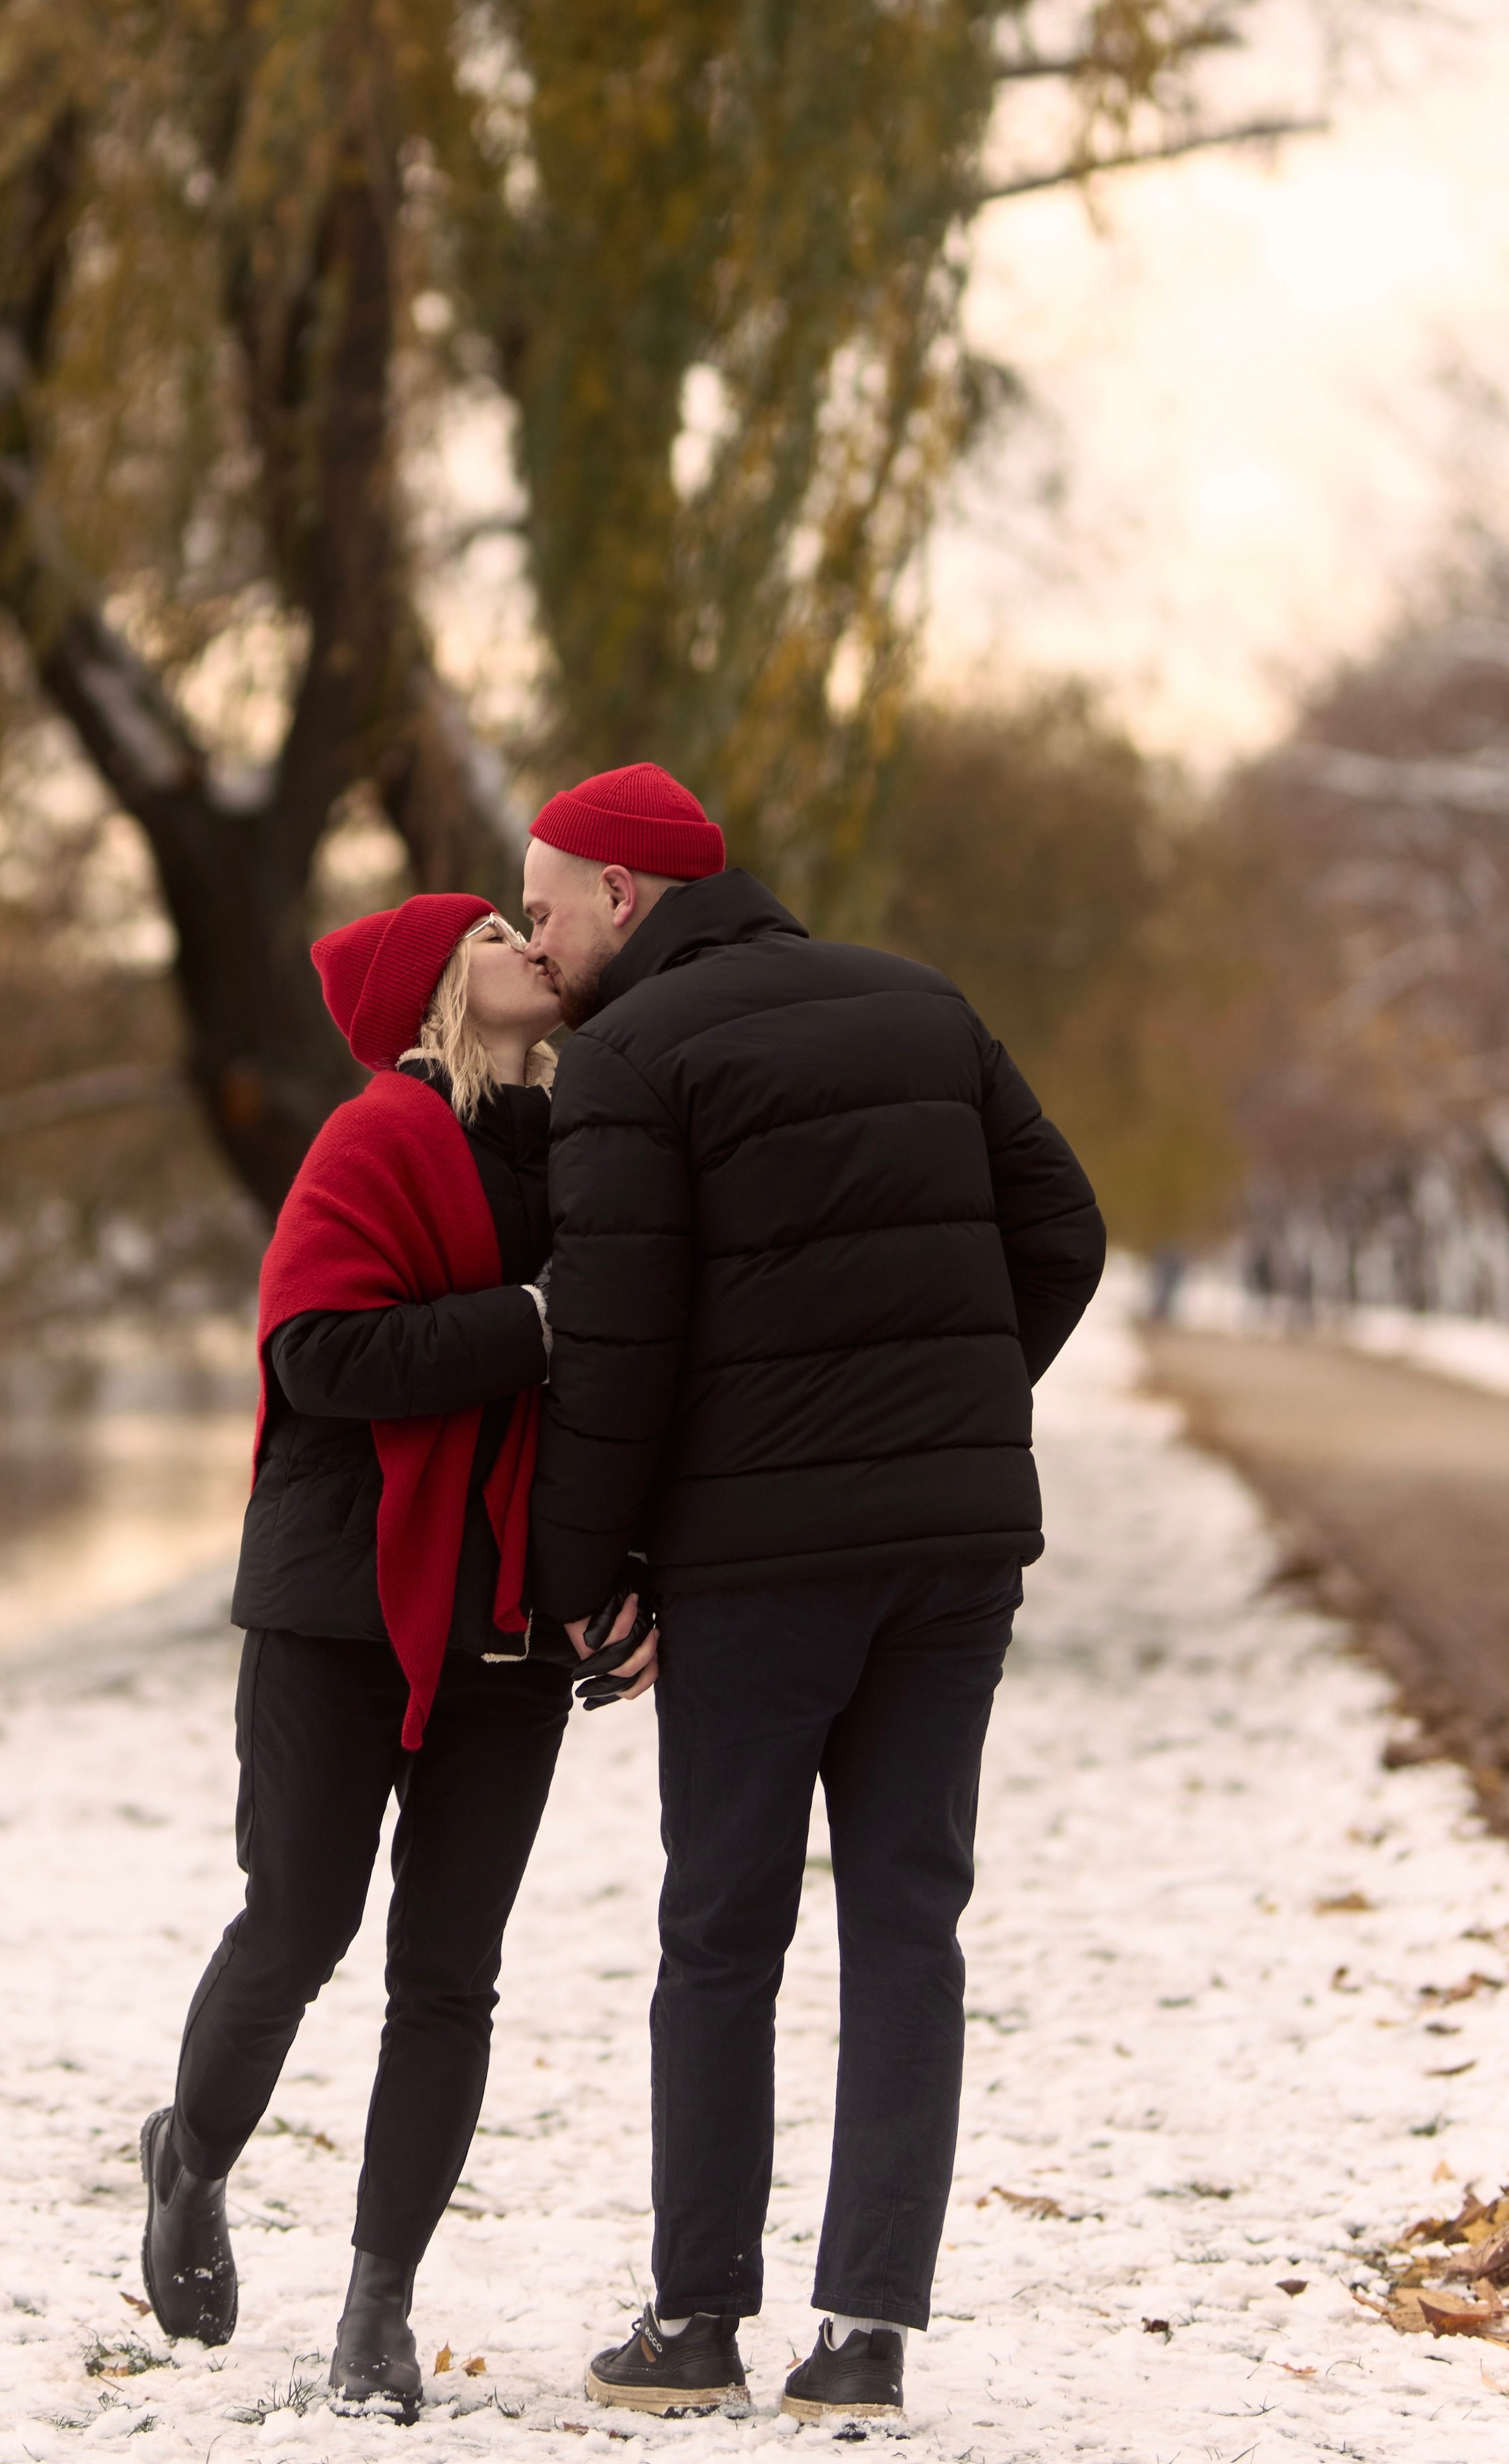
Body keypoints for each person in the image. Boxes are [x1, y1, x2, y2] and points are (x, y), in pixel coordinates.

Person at [520, 764, 1106, 2424]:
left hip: (755, 1570)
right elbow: (1061, 1230)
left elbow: (613, 1351)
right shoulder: (919, 1002)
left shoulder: (628, 1056)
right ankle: (862, 2340)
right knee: (909, 1918)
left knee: (720, 1927)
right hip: (952, 1554)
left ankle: (697, 2316)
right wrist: (952, 1412)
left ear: (626, 896)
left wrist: (579, 1579)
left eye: (548, 904)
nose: (538, 937)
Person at [138, 892, 653, 2422]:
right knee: (297, 1922)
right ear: (441, 979)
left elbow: (626, 1392)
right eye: (496, 928)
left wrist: (622, 1575)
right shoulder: (370, 1141)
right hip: (336, 1598)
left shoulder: (583, 1149)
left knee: (449, 1975)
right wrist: (532, 1320)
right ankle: (192, 2160)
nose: (528, 940)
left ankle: (376, 2307)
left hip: (503, 1606)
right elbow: (320, 1354)